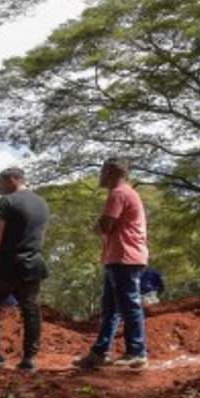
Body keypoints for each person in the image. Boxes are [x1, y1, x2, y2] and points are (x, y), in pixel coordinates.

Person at [75, 158, 150, 369]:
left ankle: (137, 352)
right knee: (110, 308)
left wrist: (97, 226)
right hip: (119, 257)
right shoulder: (124, 192)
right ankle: (100, 352)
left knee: (128, 305)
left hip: (124, 257)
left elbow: (105, 225)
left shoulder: (118, 193)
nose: (100, 176)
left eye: (102, 171)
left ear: (110, 172)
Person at [0, 167, 50, 370]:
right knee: (31, 310)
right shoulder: (42, 203)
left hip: (6, 265)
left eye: (1, 183)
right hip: (33, 264)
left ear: (12, 180)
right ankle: (29, 359)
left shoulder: (6, 202)